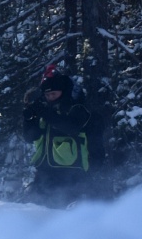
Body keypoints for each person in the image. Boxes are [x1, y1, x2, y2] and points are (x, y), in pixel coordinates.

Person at [22, 69, 93, 204]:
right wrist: (29, 118)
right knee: (35, 210)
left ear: (63, 91)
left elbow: (71, 127)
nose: (51, 98)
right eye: (47, 95)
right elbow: (30, 137)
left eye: (54, 94)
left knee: (66, 211)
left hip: (71, 172)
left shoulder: (77, 107)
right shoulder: (45, 109)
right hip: (44, 172)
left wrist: (43, 112)